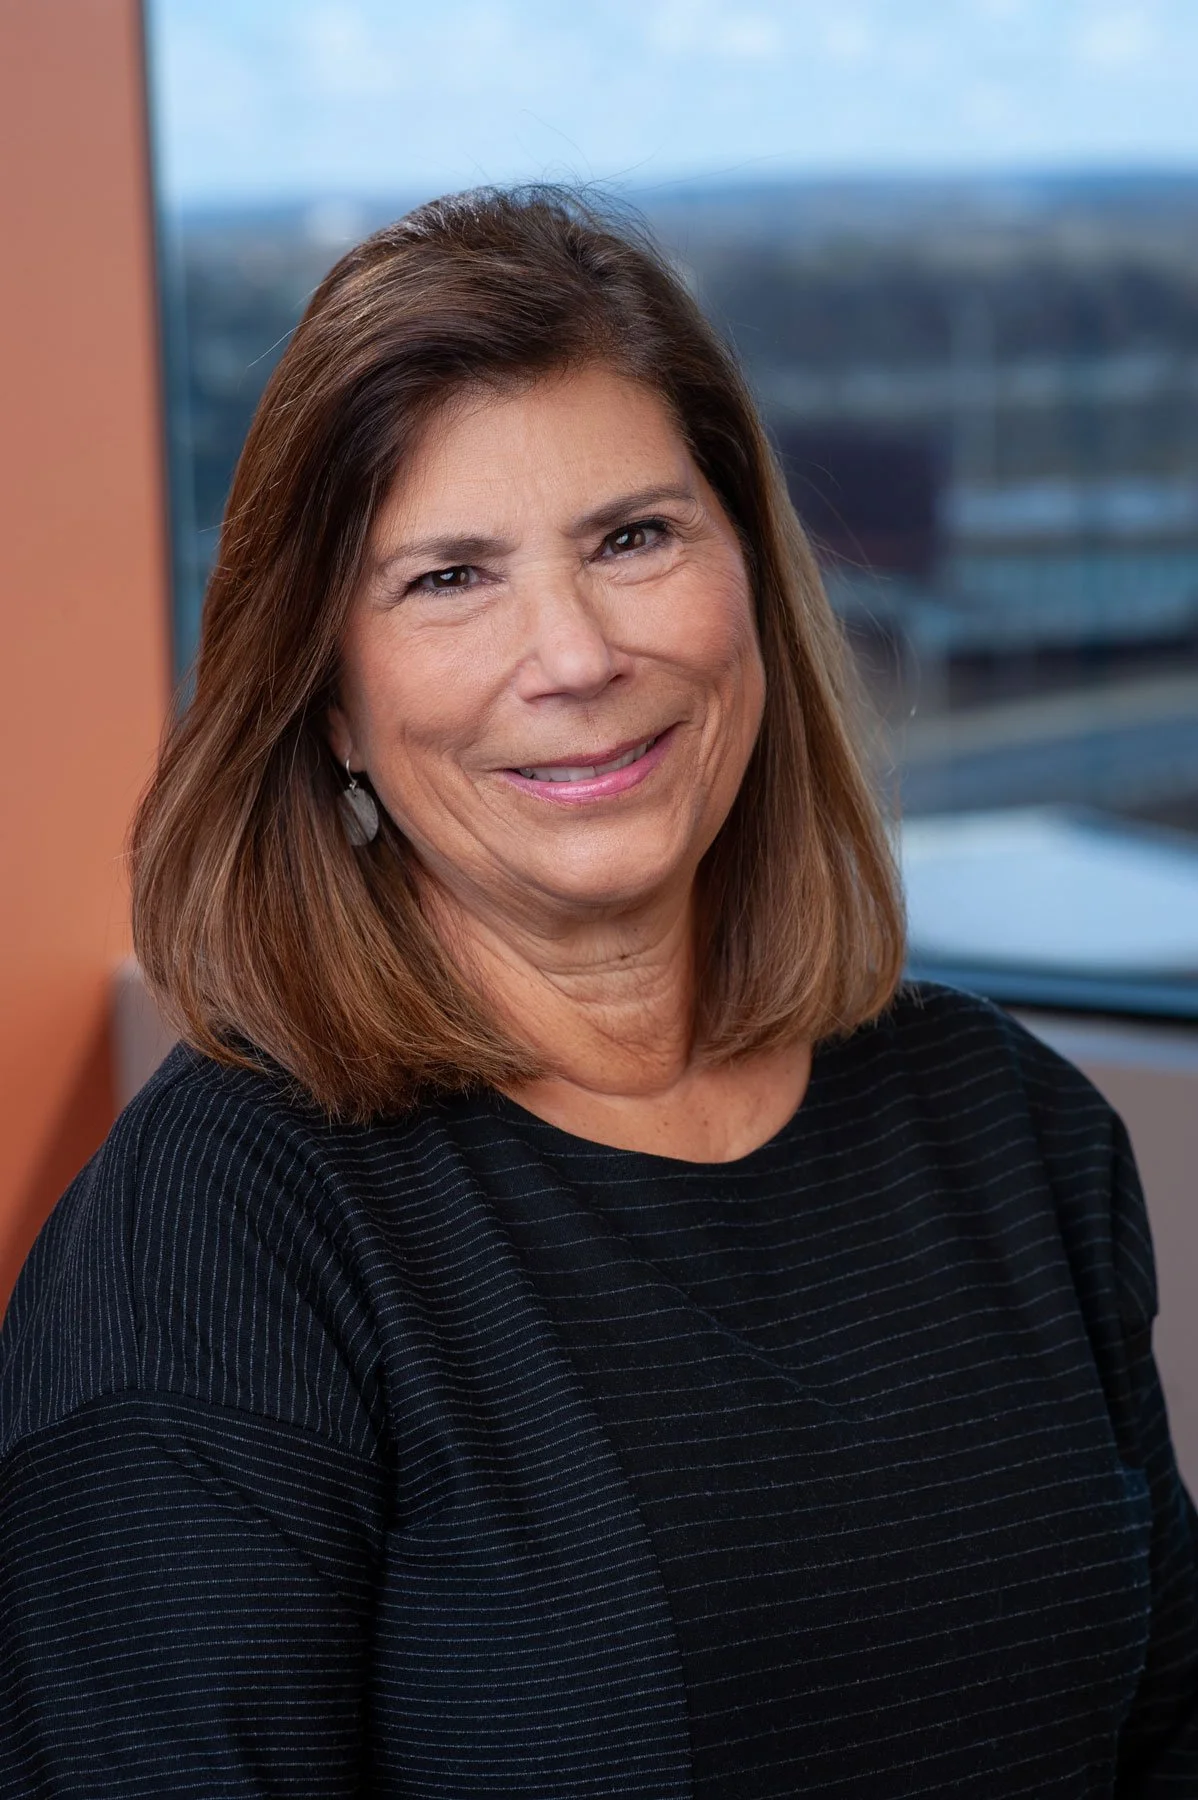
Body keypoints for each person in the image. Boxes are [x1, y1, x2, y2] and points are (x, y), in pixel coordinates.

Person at [1, 187, 1195, 1799]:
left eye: (632, 538)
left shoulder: (1009, 1127)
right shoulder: (218, 1239)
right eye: (447, 578)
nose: (569, 654)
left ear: (751, 587)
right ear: (331, 704)